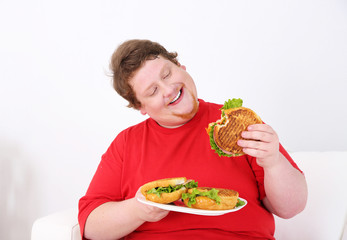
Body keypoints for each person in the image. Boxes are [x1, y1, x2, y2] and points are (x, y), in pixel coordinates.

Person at [78, 39, 308, 240]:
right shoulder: (127, 143)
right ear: (141, 107)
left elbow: (291, 208)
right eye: (152, 91)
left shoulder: (236, 123)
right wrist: (139, 210)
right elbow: (90, 226)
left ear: (181, 67)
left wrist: (273, 161)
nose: (168, 90)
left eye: (167, 74)